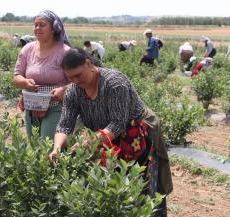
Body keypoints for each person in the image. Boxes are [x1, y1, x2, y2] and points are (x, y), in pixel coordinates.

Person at [48, 48, 173, 217]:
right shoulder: (73, 91)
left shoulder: (114, 83)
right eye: (70, 78)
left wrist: (89, 143)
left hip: (136, 133)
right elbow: (64, 124)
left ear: (88, 64)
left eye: (78, 75)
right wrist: (56, 148)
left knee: (141, 184)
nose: (75, 81)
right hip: (105, 137)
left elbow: (117, 124)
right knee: (110, 185)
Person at [14, 10, 71, 140]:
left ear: (54, 29)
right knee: (34, 148)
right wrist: (25, 82)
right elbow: (17, 77)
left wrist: (63, 89)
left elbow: (79, 81)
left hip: (56, 106)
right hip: (31, 106)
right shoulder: (27, 49)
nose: (37, 28)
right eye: (36, 25)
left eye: (42, 25)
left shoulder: (65, 52)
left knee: (47, 146)